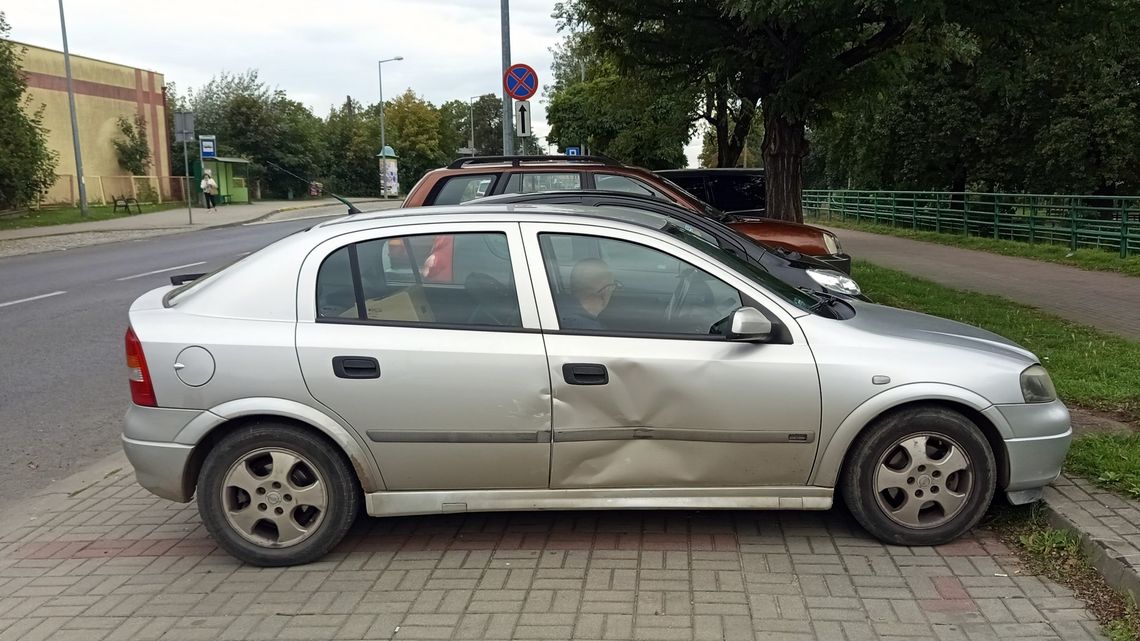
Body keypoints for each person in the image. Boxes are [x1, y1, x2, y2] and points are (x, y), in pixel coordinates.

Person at [559, 258, 618, 330]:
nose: (613, 290)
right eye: (612, 286)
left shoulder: (559, 308)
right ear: (605, 290)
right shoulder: (591, 331)